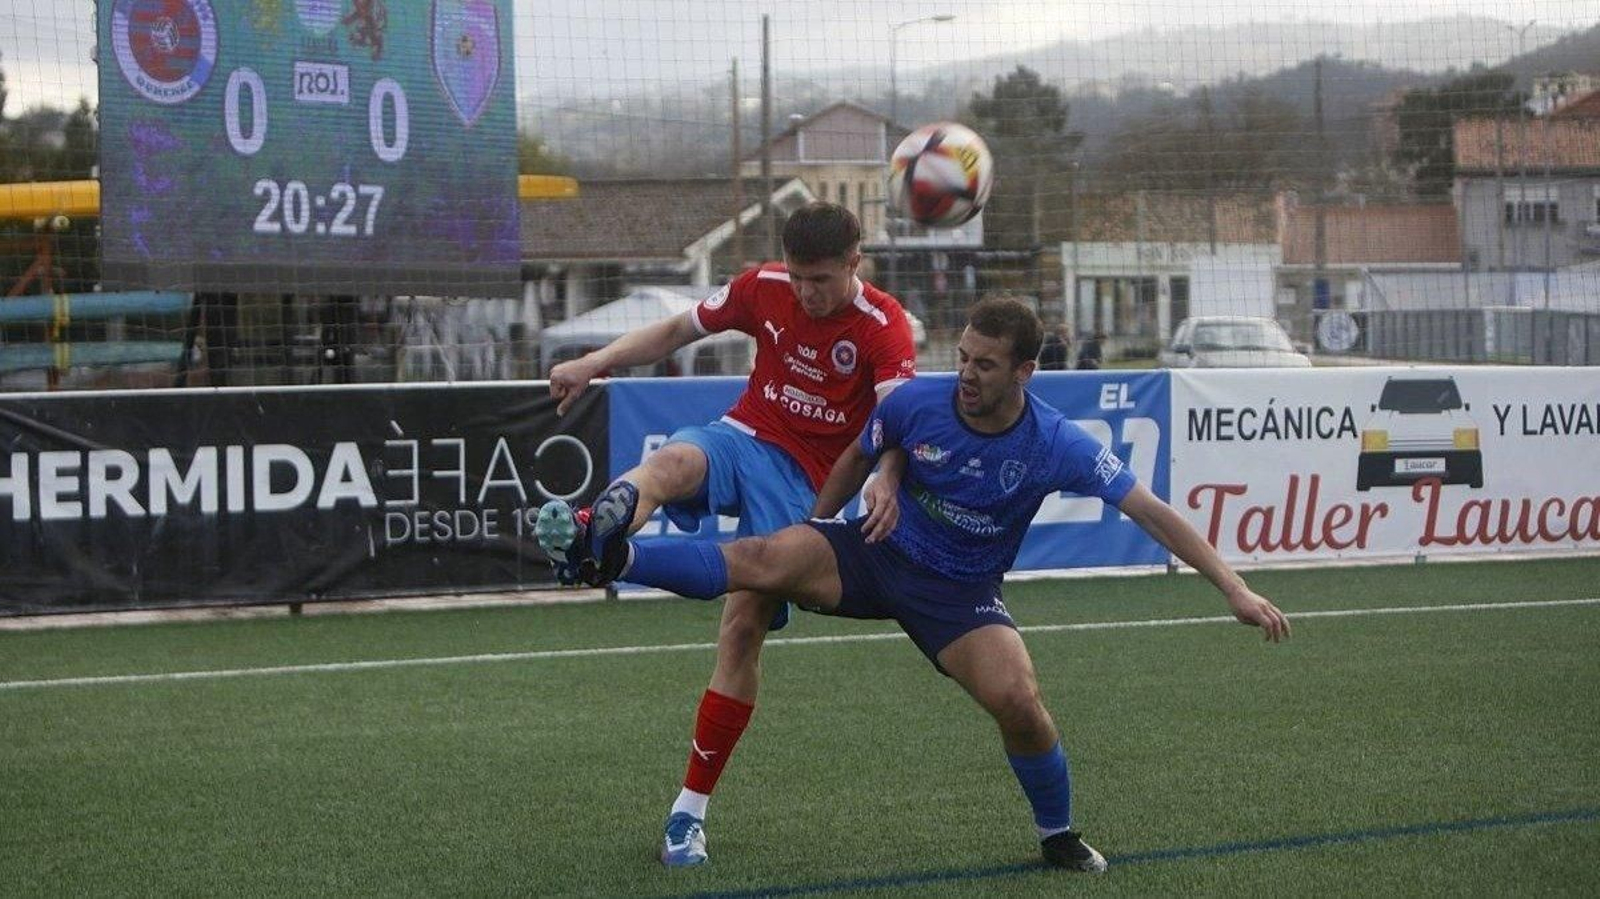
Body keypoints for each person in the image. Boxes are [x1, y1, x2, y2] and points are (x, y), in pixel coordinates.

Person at [544, 294, 1290, 872]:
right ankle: (613, 560)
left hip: (959, 593)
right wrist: (817, 526)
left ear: (1025, 372)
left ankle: (1057, 834)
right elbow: (862, 453)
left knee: (1020, 702)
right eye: (963, 357)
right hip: (873, 553)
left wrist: (1233, 588)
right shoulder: (917, 401)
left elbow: (1152, 510)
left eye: (986, 365)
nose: (967, 374)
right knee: (763, 560)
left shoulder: (1058, 442)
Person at [537, 201, 918, 867]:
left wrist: (887, 476)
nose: (806, 292)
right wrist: (594, 361)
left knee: (742, 627)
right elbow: (675, 330)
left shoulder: (884, 326)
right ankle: (593, 535)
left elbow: (896, 422)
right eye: (798, 276)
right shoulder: (761, 286)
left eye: (821, 280)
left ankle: (688, 812)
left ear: (855, 263)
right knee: (671, 464)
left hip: (807, 488)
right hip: (742, 435)